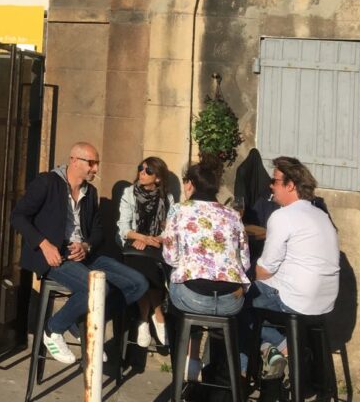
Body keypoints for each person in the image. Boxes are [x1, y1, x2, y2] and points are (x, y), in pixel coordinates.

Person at [10, 142, 148, 365]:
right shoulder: (47, 183)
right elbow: (18, 216)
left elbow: (97, 230)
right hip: (55, 255)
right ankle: (53, 329)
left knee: (138, 284)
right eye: (91, 163)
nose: (95, 169)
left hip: (84, 254)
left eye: (97, 164)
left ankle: (80, 322)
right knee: (96, 288)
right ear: (74, 160)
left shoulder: (90, 192)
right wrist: (44, 245)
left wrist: (86, 246)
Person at [252, 156, 339, 380]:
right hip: (325, 303)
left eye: (275, 181)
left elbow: (265, 269)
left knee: (233, 302)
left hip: (296, 299)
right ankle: (278, 352)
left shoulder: (282, 216)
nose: (271, 186)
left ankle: (278, 350)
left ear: (290, 185)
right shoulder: (321, 215)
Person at [161, 162, 250, 379]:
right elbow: (245, 262)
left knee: (175, 281)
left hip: (193, 299)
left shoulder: (179, 210)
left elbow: (170, 256)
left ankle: (185, 362)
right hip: (232, 301)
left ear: (190, 184)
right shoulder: (233, 215)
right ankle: (222, 371)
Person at [117, 156, 173, 348]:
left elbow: (170, 230)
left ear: (158, 178)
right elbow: (123, 228)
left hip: (156, 246)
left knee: (150, 267)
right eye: (140, 168)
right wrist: (141, 238)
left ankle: (143, 319)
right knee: (142, 267)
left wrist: (154, 240)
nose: (142, 173)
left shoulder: (168, 198)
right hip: (133, 246)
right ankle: (157, 315)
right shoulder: (129, 193)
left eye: (148, 171)